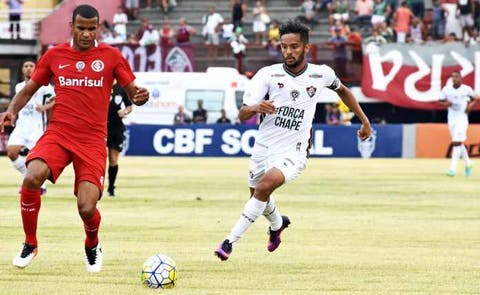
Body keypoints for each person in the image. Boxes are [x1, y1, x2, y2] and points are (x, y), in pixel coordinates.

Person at [0, 4, 149, 272]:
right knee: (31, 176)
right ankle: (30, 243)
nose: (86, 34)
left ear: (98, 29)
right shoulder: (54, 55)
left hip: (92, 139)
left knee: (87, 207)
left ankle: (92, 243)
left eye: (92, 29)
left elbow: (132, 89)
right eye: (81, 28)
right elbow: (30, 88)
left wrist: (140, 96)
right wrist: (11, 111)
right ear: (71, 26)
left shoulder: (111, 56)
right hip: (59, 133)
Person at [214, 20, 371, 261]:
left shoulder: (322, 73)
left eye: (294, 47)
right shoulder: (267, 75)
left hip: (294, 152)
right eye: (284, 46)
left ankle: (229, 241)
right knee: (257, 195)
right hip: (264, 148)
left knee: (264, 188)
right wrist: (257, 107)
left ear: (306, 48)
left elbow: (344, 91)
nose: (288, 51)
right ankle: (277, 225)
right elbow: (242, 113)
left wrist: (364, 120)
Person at [7, 58, 55, 195]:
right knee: (11, 151)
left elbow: (55, 99)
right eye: (26, 66)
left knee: (38, 159)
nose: (28, 68)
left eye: (31, 66)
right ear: (22, 69)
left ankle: (42, 185)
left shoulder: (45, 86)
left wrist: (44, 106)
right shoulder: (19, 86)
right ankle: (26, 178)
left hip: (37, 127)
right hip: (22, 126)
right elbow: (17, 103)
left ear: (35, 68)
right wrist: (13, 116)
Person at [438, 71, 479, 177]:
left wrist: (470, 106)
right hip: (451, 119)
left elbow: (476, 98)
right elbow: (440, 100)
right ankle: (468, 163)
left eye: (456, 77)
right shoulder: (447, 89)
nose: (454, 78)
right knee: (459, 143)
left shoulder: (466, 89)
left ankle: (452, 169)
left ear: (461, 78)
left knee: (456, 142)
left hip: (462, 118)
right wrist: (445, 104)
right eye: (453, 77)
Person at [107, 82, 133, 197]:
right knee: (98, 157)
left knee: (113, 159)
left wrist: (125, 112)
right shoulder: (100, 82)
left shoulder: (121, 88)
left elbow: (129, 106)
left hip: (116, 127)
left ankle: (111, 188)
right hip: (100, 125)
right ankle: (94, 186)